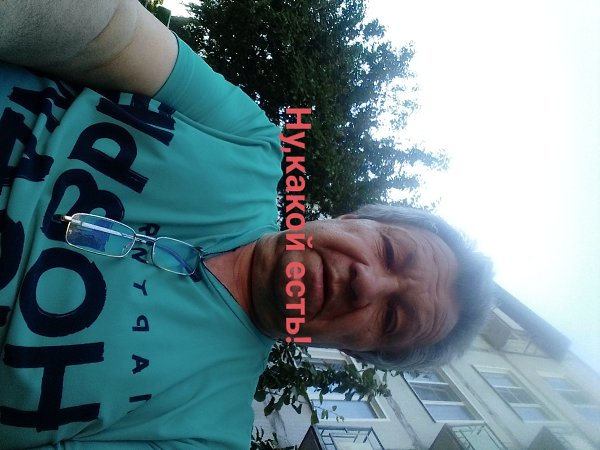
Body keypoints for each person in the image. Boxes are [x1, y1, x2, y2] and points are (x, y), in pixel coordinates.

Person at [0, 1, 493, 449]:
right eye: (389, 252)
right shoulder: (246, 140)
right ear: (352, 219)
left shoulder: (203, 434)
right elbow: (104, 29)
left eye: (391, 318)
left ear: (356, 351)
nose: (368, 282)